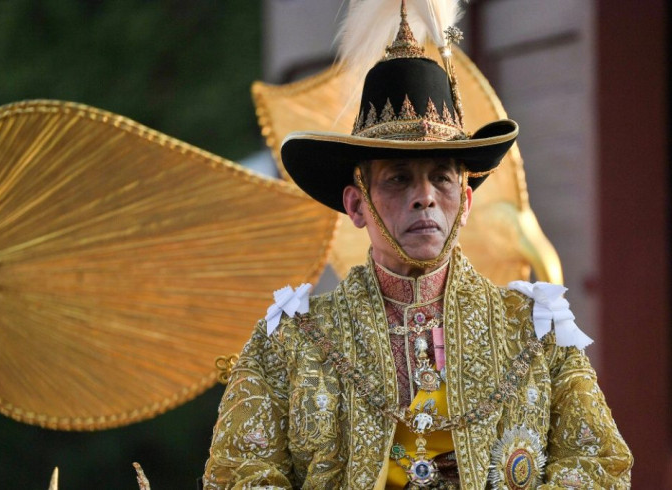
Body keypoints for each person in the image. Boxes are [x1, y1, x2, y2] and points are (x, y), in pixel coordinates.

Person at [204, 3, 632, 489]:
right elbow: (240, 475)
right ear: (356, 204)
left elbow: (597, 464)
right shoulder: (287, 345)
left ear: (466, 201)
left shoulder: (540, 335)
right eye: (399, 179)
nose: (424, 197)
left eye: (442, 178)